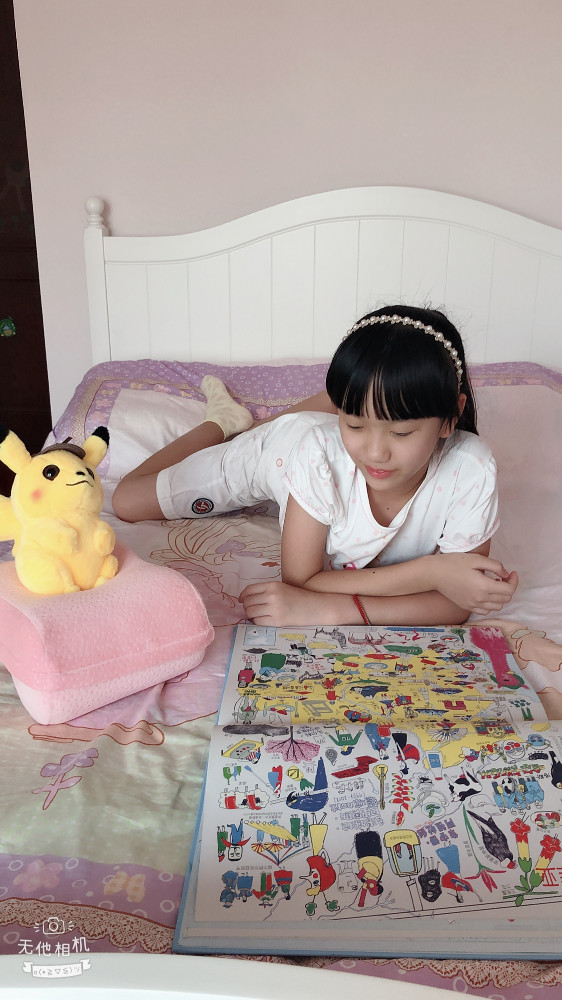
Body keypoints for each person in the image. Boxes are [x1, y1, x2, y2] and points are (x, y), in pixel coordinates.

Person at [112, 305, 518, 626]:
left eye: (401, 432)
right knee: (127, 501)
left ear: (450, 417)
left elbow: (457, 603)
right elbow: (301, 580)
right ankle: (224, 423)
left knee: (347, 431)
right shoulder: (315, 452)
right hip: (283, 449)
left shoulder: (471, 468)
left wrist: (336, 610)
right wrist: (432, 572)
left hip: (324, 448)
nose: (376, 454)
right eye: (355, 422)